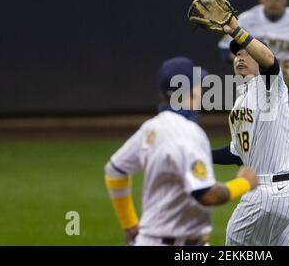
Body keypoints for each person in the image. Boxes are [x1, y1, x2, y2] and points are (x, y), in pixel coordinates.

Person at [190, 0, 289, 245]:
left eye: (246, 53)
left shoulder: (269, 85)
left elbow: (269, 59)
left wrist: (235, 29)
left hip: (267, 194)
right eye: (237, 54)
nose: (240, 57)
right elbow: (237, 154)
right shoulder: (241, 100)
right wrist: (199, 153)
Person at [104, 56, 258, 246]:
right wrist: (244, 182)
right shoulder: (189, 132)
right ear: (189, 91)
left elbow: (115, 171)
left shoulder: (151, 127)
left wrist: (129, 224)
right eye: (199, 84)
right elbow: (207, 195)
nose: (202, 89)